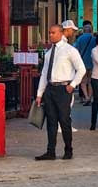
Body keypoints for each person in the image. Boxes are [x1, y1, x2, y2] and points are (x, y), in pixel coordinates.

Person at [35, 24, 85, 161]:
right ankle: (50, 151)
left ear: (61, 33)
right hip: (50, 89)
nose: (50, 35)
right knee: (51, 121)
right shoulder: (48, 53)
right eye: (49, 33)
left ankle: (68, 149)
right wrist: (40, 94)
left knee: (64, 120)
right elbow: (44, 74)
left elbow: (81, 69)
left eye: (53, 33)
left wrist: (73, 84)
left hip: (63, 89)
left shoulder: (70, 50)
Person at [73, 21, 97, 106]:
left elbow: (74, 49)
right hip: (93, 62)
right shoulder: (94, 39)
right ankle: (90, 97)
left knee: (83, 81)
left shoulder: (80, 39)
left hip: (82, 62)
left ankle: (86, 97)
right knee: (90, 81)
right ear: (91, 30)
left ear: (83, 30)